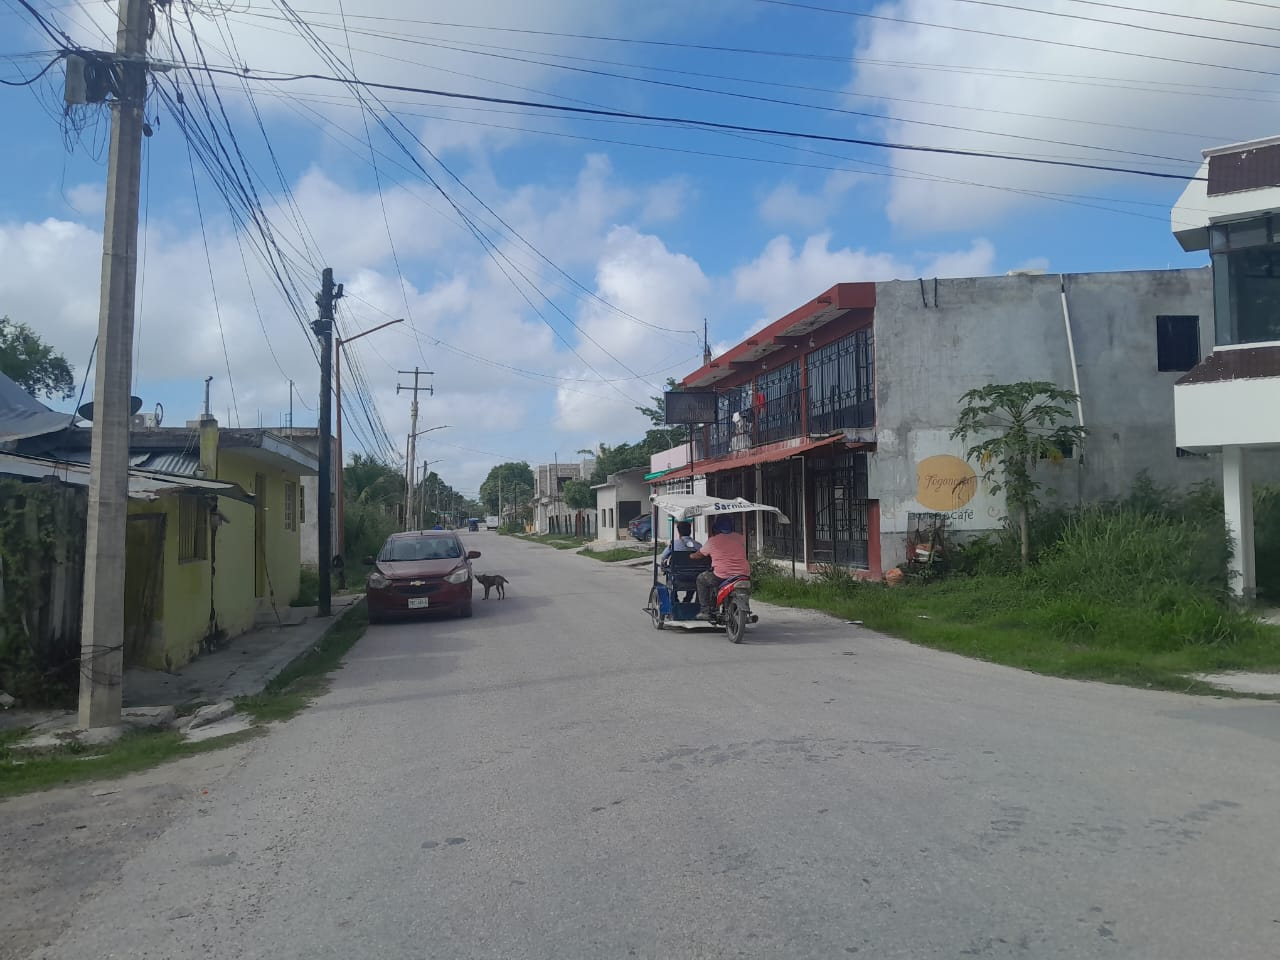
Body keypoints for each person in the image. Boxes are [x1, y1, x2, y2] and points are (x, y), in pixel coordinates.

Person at [690, 515, 750, 619]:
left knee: (701, 579)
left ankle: (705, 611)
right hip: (743, 574)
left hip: (722, 575)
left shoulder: (713, 541)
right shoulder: (740, 538)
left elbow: (699, 554)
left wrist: (691, 556)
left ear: (716, 528)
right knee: (744, 590)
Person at [660, 520, 702, 603]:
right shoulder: (698, 545)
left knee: (669, 578)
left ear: (679, 532)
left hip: (678, 576)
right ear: (690, 531)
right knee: (694, 576)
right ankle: (687, 599)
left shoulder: (673, 544)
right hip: (694, 576)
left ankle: (675, 600)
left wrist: (663, 565)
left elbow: (664, 556)